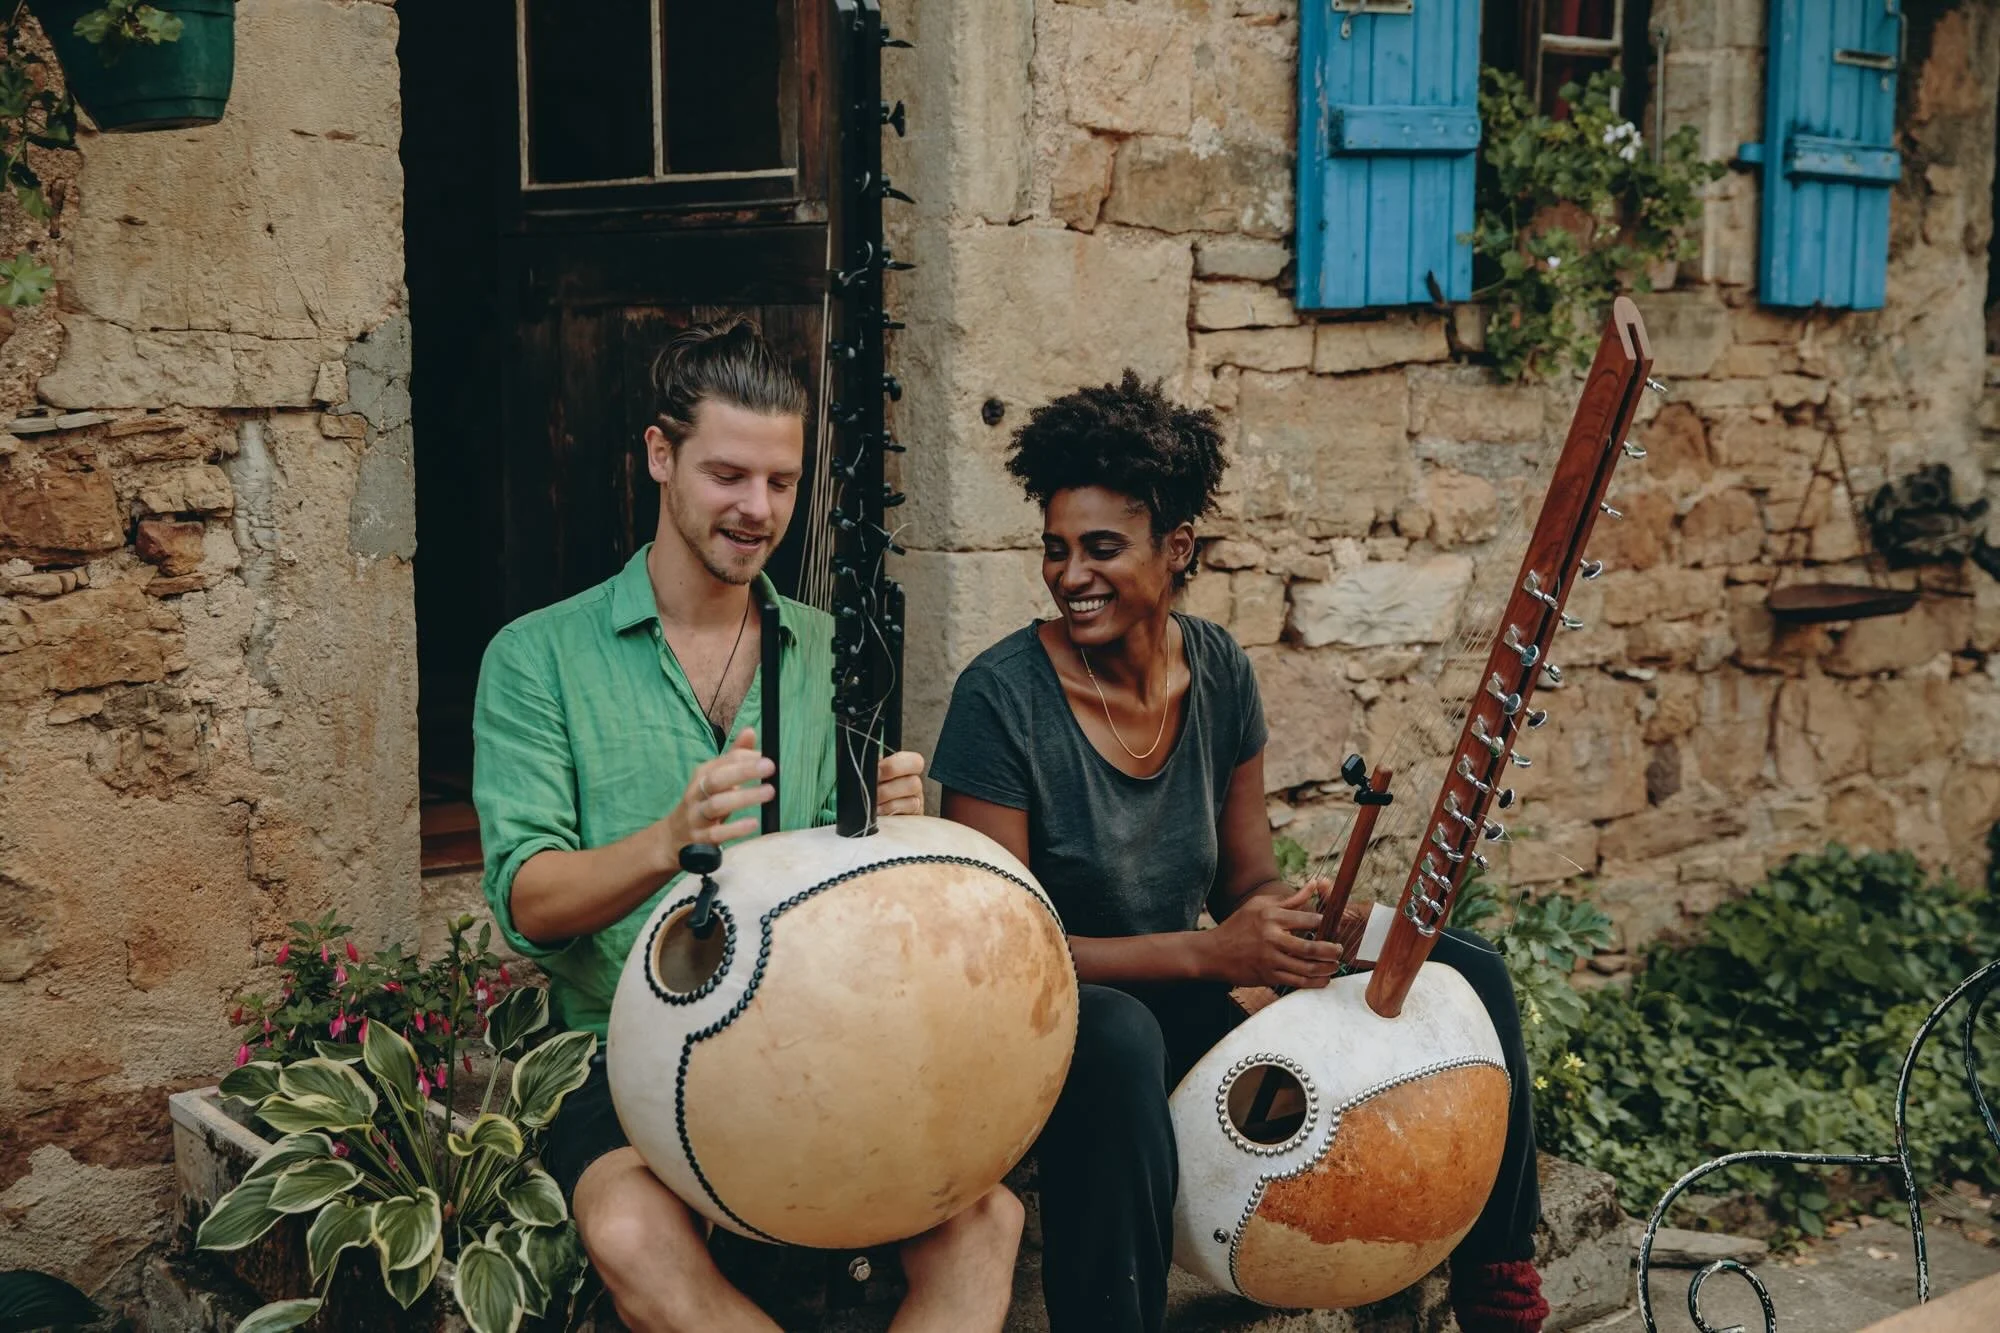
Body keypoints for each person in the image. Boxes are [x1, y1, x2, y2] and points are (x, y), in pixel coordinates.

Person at [932, 372, 1548, 1333]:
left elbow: (1246, 882)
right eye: (1055, 550)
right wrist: (1218, 956)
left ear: (1176, 548)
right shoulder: (999, 700)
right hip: (1053, 1020)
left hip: (1178, 984)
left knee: (1463, 964)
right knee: (1119, 1036)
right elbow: (1001, 959)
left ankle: (1498, 1292)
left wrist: (1311, 924)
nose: (1070, 574)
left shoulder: (1218, 669)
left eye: (1102, 547)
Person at [473, 315, 1023, 1333]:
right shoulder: (535, 657)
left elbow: (858, 910)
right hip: (622, 1046)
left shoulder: (827, 650)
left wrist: (892, 835)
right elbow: (529, 902)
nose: (757, 508)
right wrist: (664, 839)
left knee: (982, 1219)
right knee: (632, 1232)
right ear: (658, 456)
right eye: (728, 474)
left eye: (780, 481)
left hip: (816, 1037)